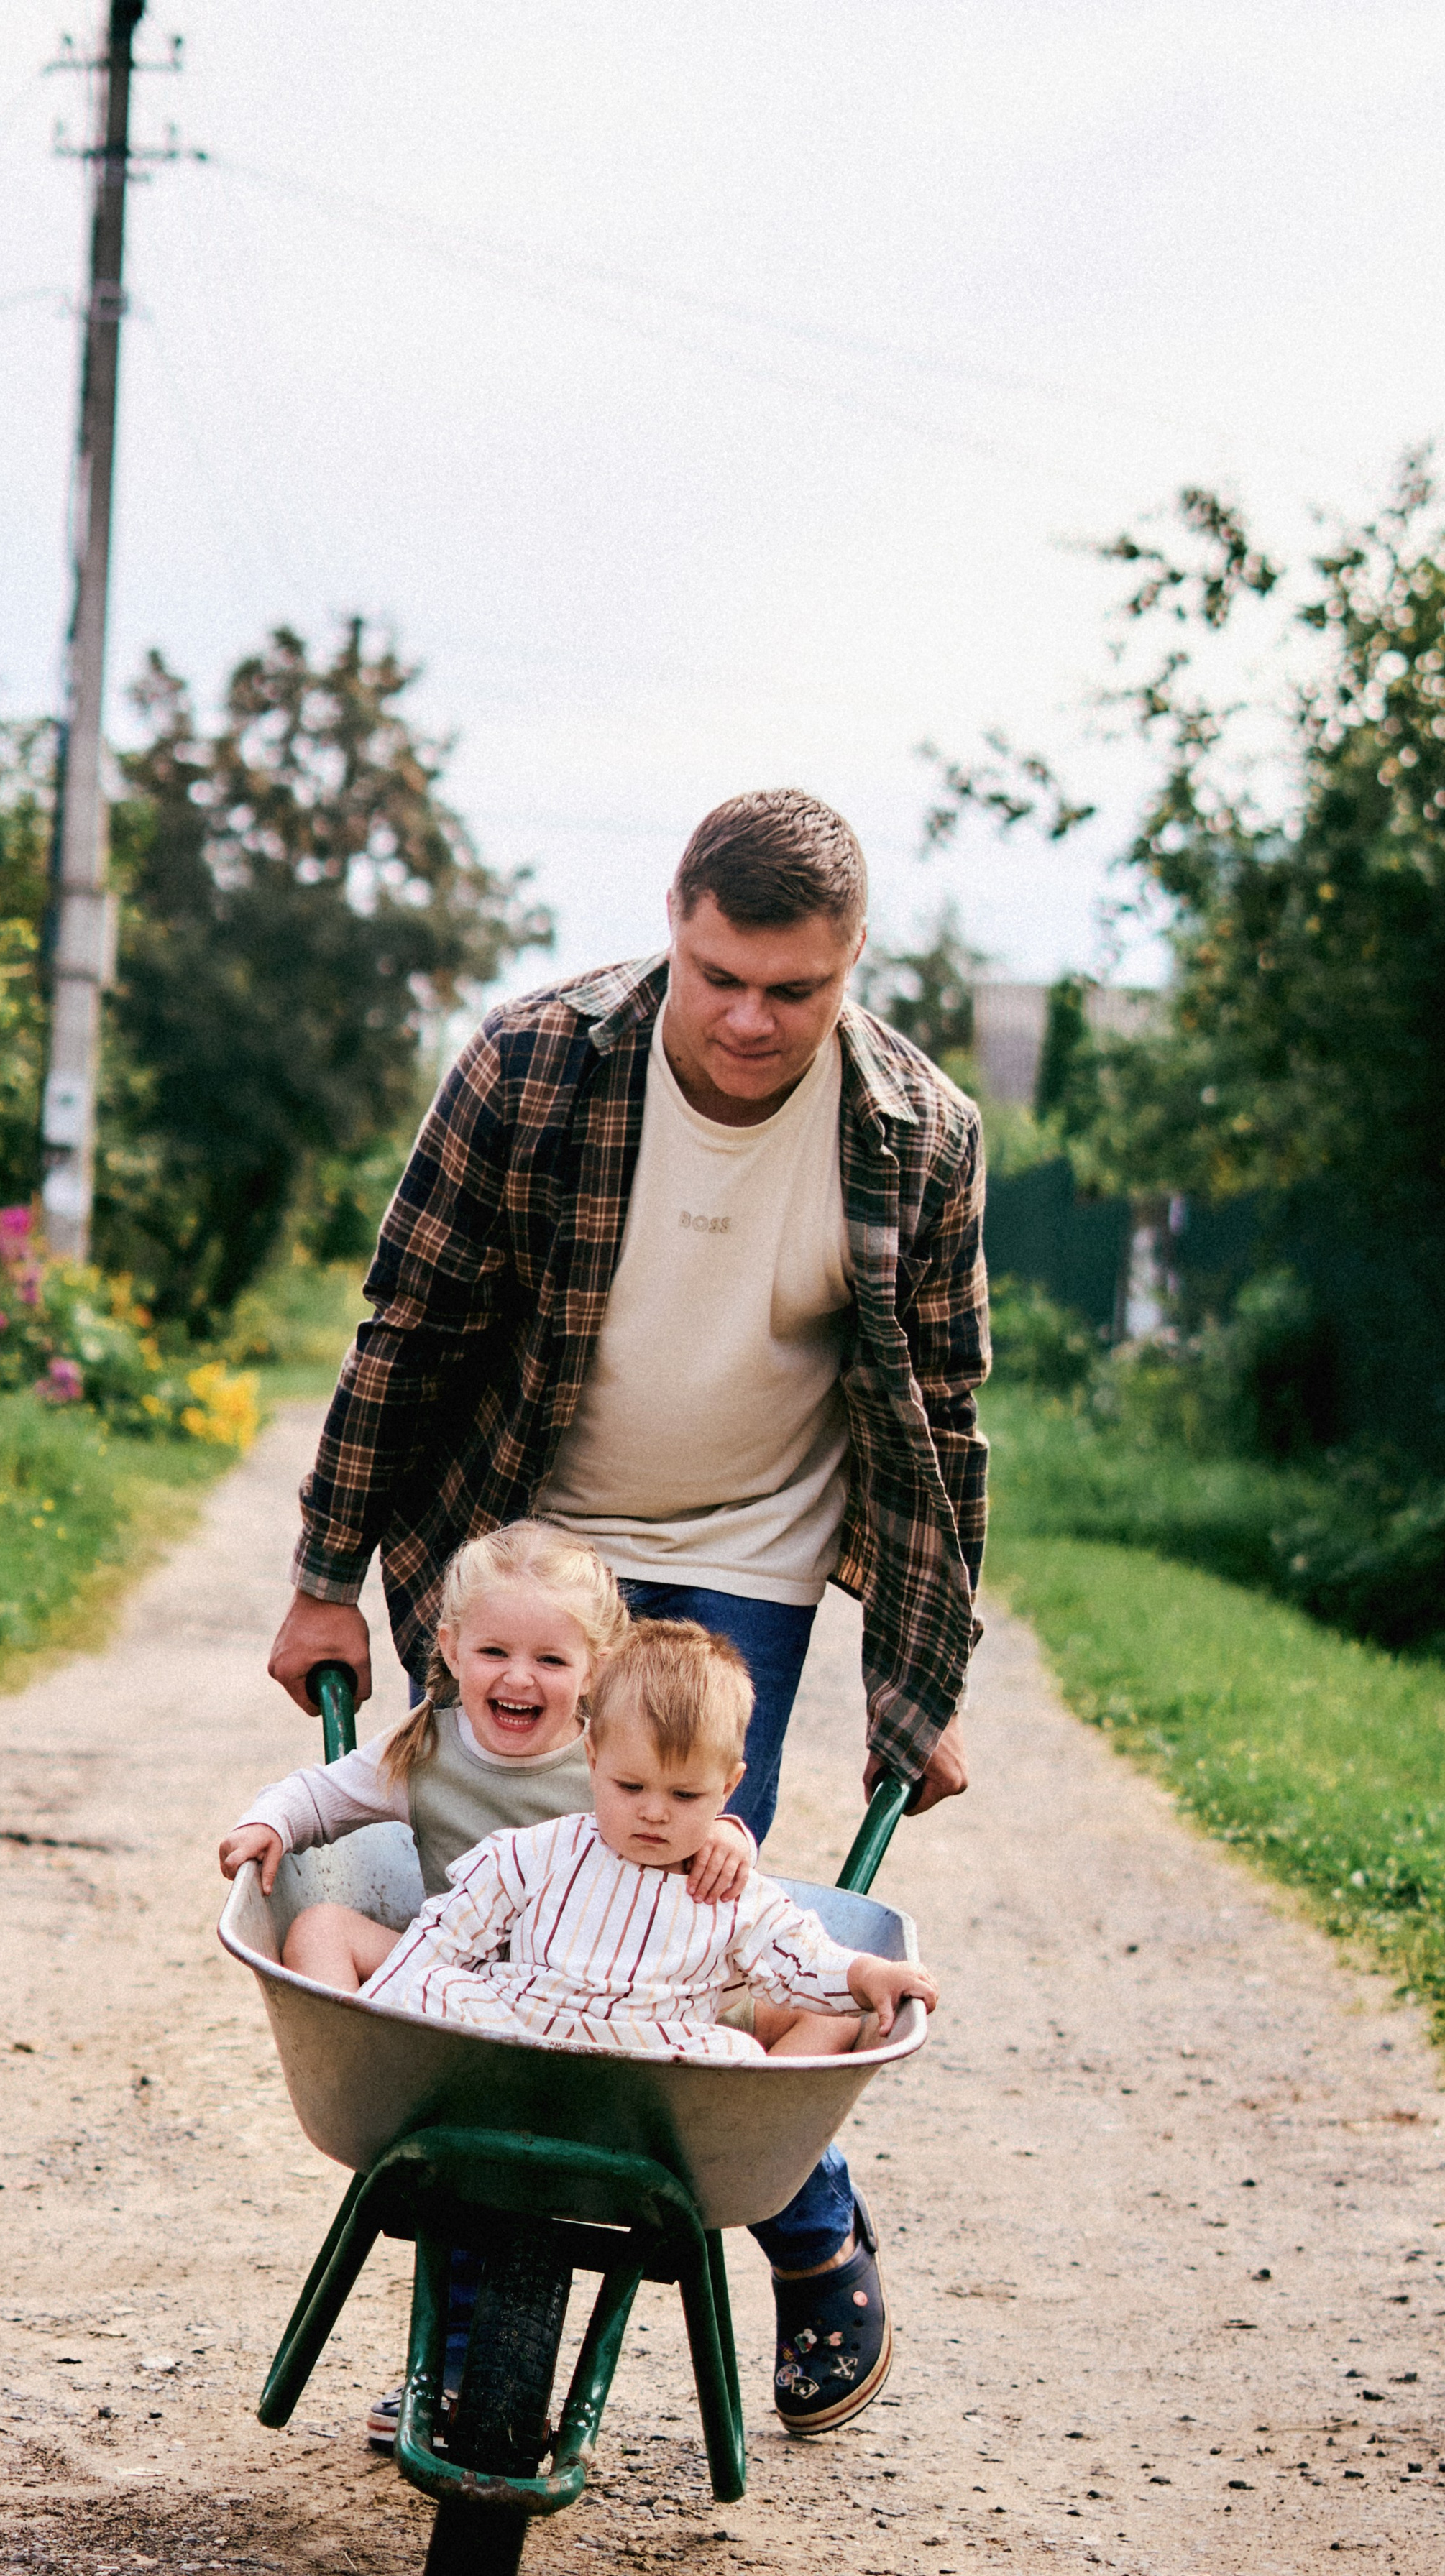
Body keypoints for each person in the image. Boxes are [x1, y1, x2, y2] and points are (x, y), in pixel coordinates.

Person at [267, 786, 988, 2433]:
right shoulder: (533, 1066)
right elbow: (404, 1334)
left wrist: (918, 1682)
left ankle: (798, 2224)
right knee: (498, 1942)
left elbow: (938, 1420)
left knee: (676, 1919)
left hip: (749, 1556)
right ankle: (467, 2352)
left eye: (789, 989)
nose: (743, 1019)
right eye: (712, 971)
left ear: (848, 966)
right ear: (671, 921)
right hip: (530, 1545)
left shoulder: (914, 1132)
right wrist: (323, 1579)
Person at [362, 1620, 938, 2065]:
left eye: (685, 1796)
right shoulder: (534, 1853)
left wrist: (866, 1975)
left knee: (738, 2057)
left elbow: (799, 1959)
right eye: (630, 1786)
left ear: (728, 1787)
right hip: (521, 2046)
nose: (654, 1813)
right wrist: (365, 2025)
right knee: (439, 1983)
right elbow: (441, 1936)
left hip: (657, 2068)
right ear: (593, 1761)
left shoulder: (730, 1892)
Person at [219, 1522, 756, 1990]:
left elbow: (683, 1814)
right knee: (320, 1927)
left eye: (550, 1659)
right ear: (453, 1650)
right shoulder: (427, 1750)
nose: (518, 1677)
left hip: (585, 1988)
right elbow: (319, 1795)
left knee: (822, 2007)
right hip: (450, 1977)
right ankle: (364, 2065)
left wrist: (730, 1837)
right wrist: (271, 1821)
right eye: (493, 1651)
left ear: (595, 1670)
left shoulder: (616, 1760)